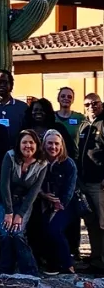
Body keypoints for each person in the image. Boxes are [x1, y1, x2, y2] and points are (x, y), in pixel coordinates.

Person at [0, 129, 47, 276]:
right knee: (4, 233)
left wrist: (20, 214)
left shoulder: (42, 164)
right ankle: (5, 271)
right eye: (24, 142)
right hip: (2, 198)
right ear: (19, 144)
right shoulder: (10, 156)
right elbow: (4, 185)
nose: (27, 145)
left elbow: (34, 192)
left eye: (31, 142)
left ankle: (30, 272)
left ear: (37, 144)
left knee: (17, 233)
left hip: (24, 202)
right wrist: (9, 212)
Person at [30, 129, 77, 275]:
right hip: (43, 202)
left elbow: (69, 190)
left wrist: (58, 205)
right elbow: (32, 184)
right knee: (39, 226)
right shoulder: (38, 161)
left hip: (65, 204)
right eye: (50, 143)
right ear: (44, 144)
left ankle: (67, 264)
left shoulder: (69, 164)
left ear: (62, 145)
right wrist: (44, 195)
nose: (53, 147)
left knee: (54, 228)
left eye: (57, 144)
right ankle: (48, 261)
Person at [77, 93, 104, 273]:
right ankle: (96, 259)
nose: (91, 106)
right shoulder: (84, 125)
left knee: (103, 222)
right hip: (84, 182)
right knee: (91, 222)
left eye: (95, 103)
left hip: (99, 183)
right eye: (87, 104)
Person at [0, 70, 28, 150]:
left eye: (5, 82)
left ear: (11, 85)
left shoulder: (22, 107)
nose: (1, 85)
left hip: (17, 153)